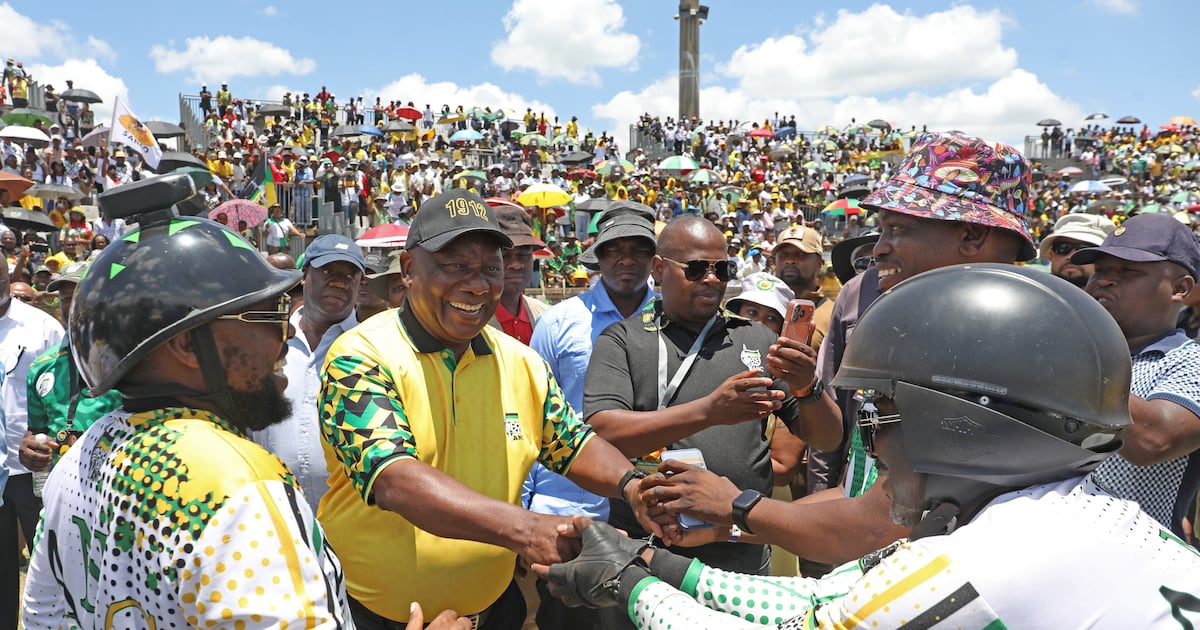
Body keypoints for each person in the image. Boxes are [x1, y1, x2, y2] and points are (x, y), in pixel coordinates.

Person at [540, 264, 1200, 628]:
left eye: (883, 414)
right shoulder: (1083, 519)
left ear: (956, 420)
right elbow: (816, 603)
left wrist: (627, 585)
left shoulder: (982, 566)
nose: (874, 446)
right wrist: (658, 564)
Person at [21, 174, 359, 626]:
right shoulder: (239, 487)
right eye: (267, 315)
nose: (284, 336)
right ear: (186, 345)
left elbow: (42, 614)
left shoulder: (80, 458)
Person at [317, 189, 662, 629]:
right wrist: (527, 530)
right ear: (408, 270)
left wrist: (634, 487)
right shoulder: (360, 356)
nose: (478, 284)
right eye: (456, 265)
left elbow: (571, 445)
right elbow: (394, 480)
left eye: (490, 268)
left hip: (495, 611)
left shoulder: (520, 361)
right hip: (375, 616)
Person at [582, 215, 843, 627]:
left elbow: (826, 438)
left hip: (738, 552)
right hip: (649, 549)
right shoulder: (623, 340)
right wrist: (709, 410)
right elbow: (602, 434)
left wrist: (807, 387)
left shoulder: (755, 339)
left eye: (721, 269)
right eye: (696, 268)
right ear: (659, 269)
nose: (711, 279)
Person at [526, 202, 659, 628]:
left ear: (653, 259)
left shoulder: (672, 319)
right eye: (614, 249)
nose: (626, 260)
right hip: (567, 501)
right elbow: (532, 414)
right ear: (597, 257)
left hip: (651, 500)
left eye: (638, 249)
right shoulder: (558, 322)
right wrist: (526, 504)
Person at [1070, 213, 1200, 535]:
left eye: (1129, 271)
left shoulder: (1188, 360)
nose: (1104, 280)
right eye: (1100, 271)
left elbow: (1154, 440)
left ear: (1180, 289)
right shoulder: (1078, 352)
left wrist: (1061, 364)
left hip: (1136, 558)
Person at [253, 234, 365, 515]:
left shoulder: (371, 347)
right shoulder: (266, 339)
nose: (340, 281)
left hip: (348, 519)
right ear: (305, 276)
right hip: (272, 514)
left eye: (350, 274)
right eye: (328, 271)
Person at [18, 262, 123, 500]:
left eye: (83, 296)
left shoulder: (126, 362)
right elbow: (37, 432)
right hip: (62, 499)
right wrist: (29, 451)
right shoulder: (42, 367)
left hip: (115, 497)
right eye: (66, 298)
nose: (73, 306)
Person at [0, 254, 63, 626]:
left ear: (8, 274)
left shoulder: (42, 328)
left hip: (32, 470)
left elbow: (66, 395)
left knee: (51, 564)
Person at [487, 203, 549, 344]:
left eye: (523, 255)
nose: (515, 265)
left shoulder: (545, 316)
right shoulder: (468, 323)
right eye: (504, 256)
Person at [771, 224, 831, 350]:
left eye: (801, 254)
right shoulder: (759, 307)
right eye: (783, 255)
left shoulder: (834, 313)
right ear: (774, 263)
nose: (790, 260)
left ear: (819, 264)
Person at [1038, 213, 1116, 287]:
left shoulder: (1119, 299)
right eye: (1063, 248)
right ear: (1051, 255)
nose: (1071, 256)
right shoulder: (1032, 291)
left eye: (1084, 250)